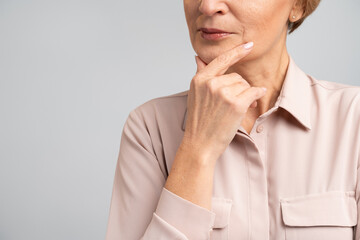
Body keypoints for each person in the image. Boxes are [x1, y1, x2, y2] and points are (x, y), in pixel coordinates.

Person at [105, 0, 360, 239]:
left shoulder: (353, 119)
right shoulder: (150, 129)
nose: (207, 5)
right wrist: (197, 149)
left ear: (297, 5)